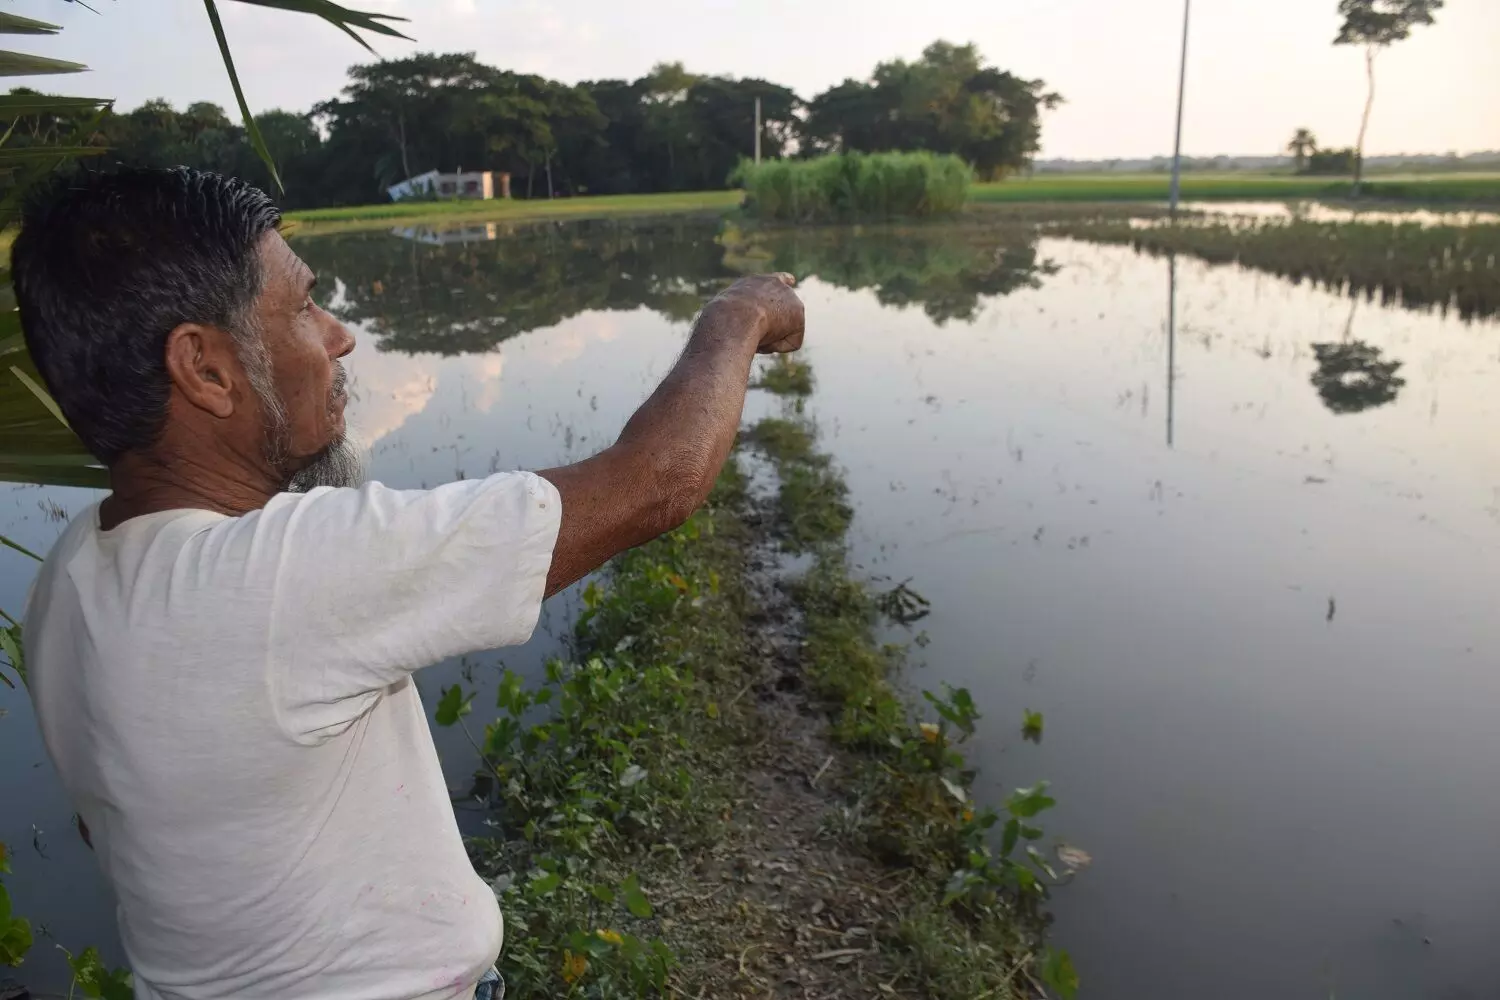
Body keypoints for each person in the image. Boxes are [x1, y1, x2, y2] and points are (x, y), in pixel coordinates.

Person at [12, 167, 805, 1000]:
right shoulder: (278, 575)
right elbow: (655, 483)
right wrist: (737, 317)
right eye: (303, 307)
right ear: (205, 371)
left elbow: (109, 826)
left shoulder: (68, 576)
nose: (340, 334)